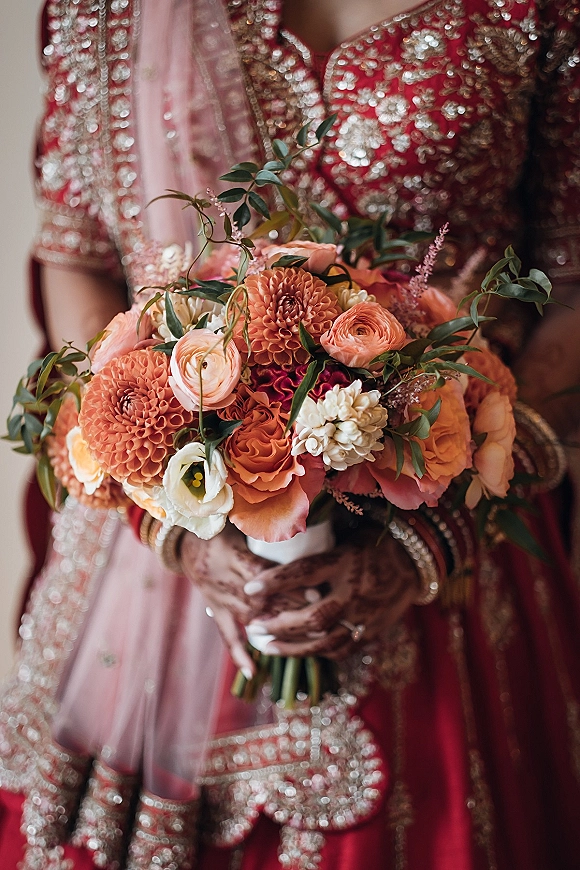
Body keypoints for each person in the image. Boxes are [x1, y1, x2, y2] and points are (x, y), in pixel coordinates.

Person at [0, 0, 579, 868]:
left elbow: (570, 283)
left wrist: (434, 531)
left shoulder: (537, 12)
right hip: (153, 543)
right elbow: (79, 254)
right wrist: (162, 502)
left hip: (446, 530)